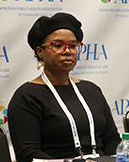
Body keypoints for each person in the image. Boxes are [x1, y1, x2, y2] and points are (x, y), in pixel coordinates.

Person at [7, 12, 121, 162]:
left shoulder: (91, 90)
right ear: (40, 51)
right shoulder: (27, 96)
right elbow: (29, 154)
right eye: (58, 45)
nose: (67, 51)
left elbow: (112, 139)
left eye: (73, 46)